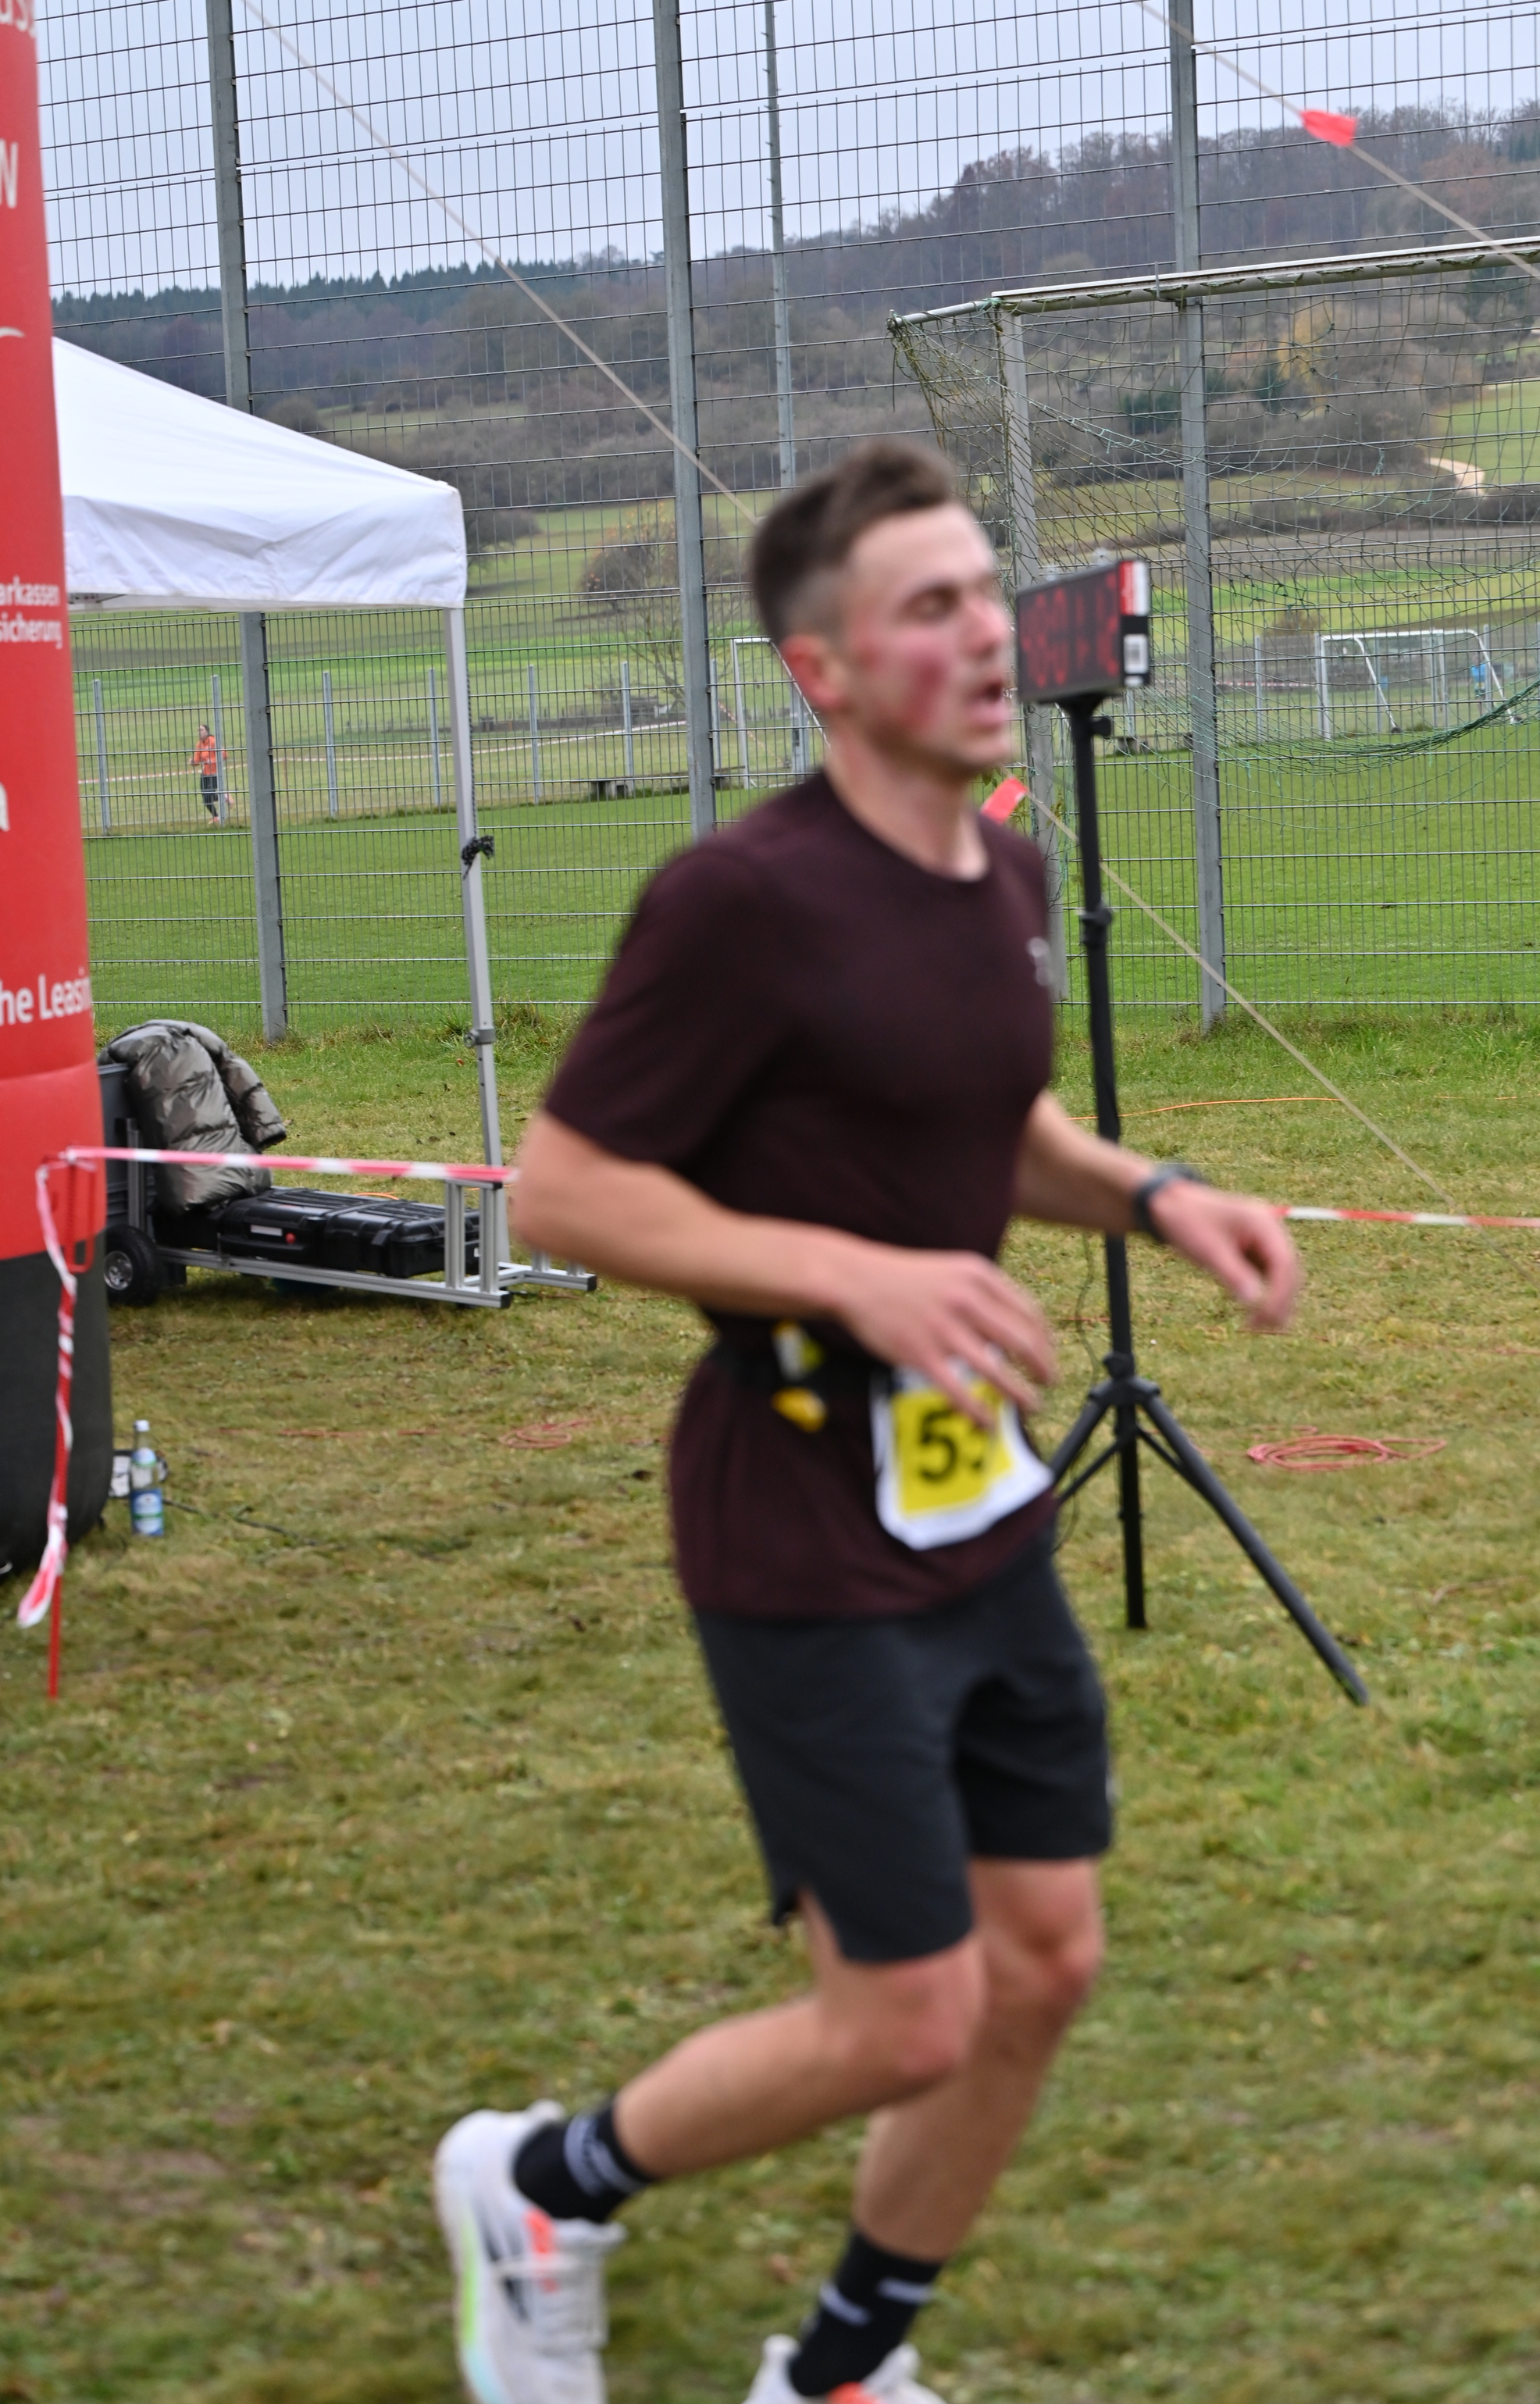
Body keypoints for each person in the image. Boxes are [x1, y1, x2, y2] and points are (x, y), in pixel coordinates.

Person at [433, 440, 1302, 2404]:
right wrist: (851, 1273)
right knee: (904, 2013)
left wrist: (1155, 1194)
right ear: (819, 668)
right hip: (796, 1513)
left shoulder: (1004, 869)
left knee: (1044, 1958)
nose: (985, 632)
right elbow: (561, 1190)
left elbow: (986, 1119)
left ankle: (835, 2371)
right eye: (928, 607)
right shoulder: (737, 901)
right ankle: (538, 2189)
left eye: (983, 589)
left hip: (973, 1502)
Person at [191, 722, 223, 824]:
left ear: (207, 731)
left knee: (208, 795)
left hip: (215, 773)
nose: (199, 732)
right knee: (206, 798)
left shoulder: (213, 741)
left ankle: (224, 797)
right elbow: (197, 761)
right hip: (205, 774)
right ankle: (216, 817)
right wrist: (193, 762)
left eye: (201, 730)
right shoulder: (199, 744)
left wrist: (212, 760)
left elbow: (224, 755)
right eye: (198, 731)